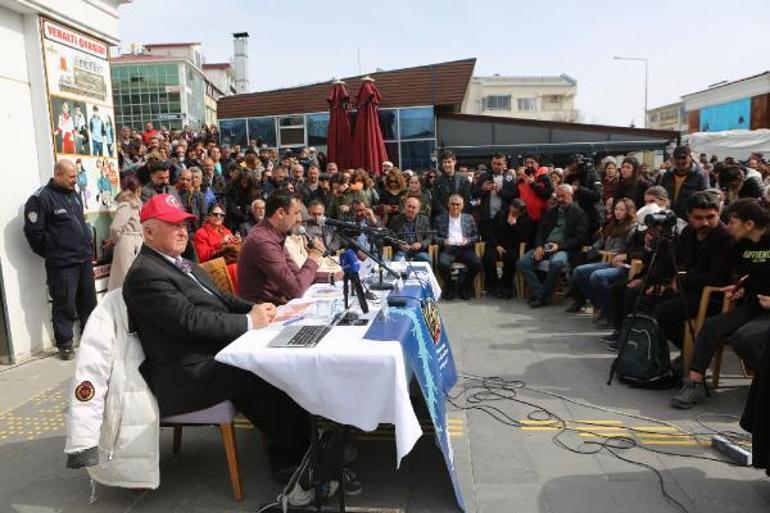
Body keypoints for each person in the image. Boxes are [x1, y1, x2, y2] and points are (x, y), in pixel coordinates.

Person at [121, 194, 311, 485]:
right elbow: (189, 322)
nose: (183, 231)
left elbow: (222, 299)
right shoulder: (145, 275)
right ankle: (294, 459)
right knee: (262, 371)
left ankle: (297, 446)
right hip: (187, 373)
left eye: (184, 224)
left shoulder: (180, 262)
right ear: (148, 232)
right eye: (173, 225)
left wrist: (256, 310)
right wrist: (249, 322)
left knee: (276, 361)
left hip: (208, 354)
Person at [671, 199, 770, 409]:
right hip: (753, 305)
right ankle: (695, 383)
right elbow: (746, 274)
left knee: (744, 339)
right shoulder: (741, 246)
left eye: (733, 222)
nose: (729, 226)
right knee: (710, 326)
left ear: (749, 224)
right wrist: (739, 285)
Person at [23, 159, 97, 360]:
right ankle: (64, 344)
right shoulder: (41, 199)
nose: (76, 180)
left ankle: (91, 338)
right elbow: (33, 234)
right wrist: (53, 252)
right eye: (72, 177)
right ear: (58, 175)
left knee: (89, 302)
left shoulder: (74, 195)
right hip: (62, 263)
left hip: (83, 258)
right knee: (64, 304)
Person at [238, 192, 327, 305]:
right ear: (280, 213)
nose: (299, 219)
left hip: (278, 306)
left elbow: (298, 275)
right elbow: (296, 289)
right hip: (265, 314)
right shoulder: (263, 241)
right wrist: (313, 257)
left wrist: (333, 277)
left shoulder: (274, 234)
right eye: (296, 213)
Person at [518, 184, 589, 308]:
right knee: (523, 263)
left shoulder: (580, 214)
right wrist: (539, 246)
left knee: (556, 263)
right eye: (558, 196)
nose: (560, 199)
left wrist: (559, 247)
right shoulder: (551, 211)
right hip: (546, 246)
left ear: (571, 195)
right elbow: (540, 231)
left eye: (563, 196)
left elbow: (579, 238)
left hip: (564, 248)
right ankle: (541, 293)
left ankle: (541, 297)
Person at [565, 197, 637, 318]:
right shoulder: (612, 225)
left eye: (622, 210)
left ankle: (609, 313)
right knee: (579, 271)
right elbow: (601, 241)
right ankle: (599, 304)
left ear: (628, 211)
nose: (618, 212)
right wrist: (593, 249)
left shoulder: (632, 228)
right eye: (617, 209)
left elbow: (626, 251)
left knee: (597, 276)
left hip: (621, 264)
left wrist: (616, 256)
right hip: (607, 260)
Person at [481, 199, 535, 299]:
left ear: (521, 212)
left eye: (516, 212)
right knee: (488, 258)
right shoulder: (501, 215)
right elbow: (491, 232)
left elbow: (524, 237)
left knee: (511, 259)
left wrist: (514, 225)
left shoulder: (526, 219)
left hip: (513, 246)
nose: (512, 213)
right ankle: (495, 285)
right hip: (497, 245)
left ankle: (507, 286)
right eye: (512, 209)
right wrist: (497, 245)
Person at [434, 194, 480, 300]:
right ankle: (450, 287)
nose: (455, 207)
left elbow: (476, 236)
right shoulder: (440, 218)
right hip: (448, 249)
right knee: (442, 264)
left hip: (464, 248)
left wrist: (468, 240)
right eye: (453, 204)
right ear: (448, 205)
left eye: (458, 204)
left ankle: (464, 287)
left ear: (462, 206)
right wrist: (443, 241)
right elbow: (434, 237)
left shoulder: (469, 218)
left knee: (476, 264)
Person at [106, 175, 143, 291]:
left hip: (129, 242)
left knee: (126, 278)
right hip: (131, 242)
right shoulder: (129, 203)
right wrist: (115, 240)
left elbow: (116, 227)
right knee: (125, 278)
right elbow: (116, 227)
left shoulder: (129, 203)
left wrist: (114, 241)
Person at [472, 153, 518, 241]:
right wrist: (482, 189)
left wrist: (501, 192)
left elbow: (515, 195)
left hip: (504, 218)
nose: (496, 166)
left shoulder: (510, 177)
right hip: (486, 218)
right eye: (494, 163)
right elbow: (474, 193)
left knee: (503, 244)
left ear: (505, 164)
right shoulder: (483, 176)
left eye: (499, 164)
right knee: (488, 245)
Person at [660, 145, 709, 219]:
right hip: (668, 218)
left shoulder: (701, 175)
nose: (680, 161)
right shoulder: (667, 175)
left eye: (683, 157)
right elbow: (660, 194)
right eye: (677, 158)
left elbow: (705, 199)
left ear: (690, 157)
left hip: (689, 220)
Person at [563, 154, 603, 237]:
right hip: (576, 215)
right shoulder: (572, 177)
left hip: (592, 216)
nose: (571, 171)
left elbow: (597, 195)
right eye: (570, 169)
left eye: (573, 169)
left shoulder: (592, 176)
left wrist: (579, 189)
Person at [387, 196, 432, 262]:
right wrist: (399, 245)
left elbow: (429, 238)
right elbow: (389, 237)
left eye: (413, 207)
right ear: (405, 206)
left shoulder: (424, 219)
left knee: (427, 259)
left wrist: (421, 244)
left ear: (418, 209)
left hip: (418, 252)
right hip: (401, 252)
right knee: (397, 262)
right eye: (409, 206)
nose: (410, 209)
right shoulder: (395, 219)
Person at [433, 151, 472, 219]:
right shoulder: (437, 181)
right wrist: (446, 214)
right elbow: (436, 200)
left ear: (454, 162)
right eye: (444, 162)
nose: (447, 164)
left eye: (449, 162)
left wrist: (459, 214)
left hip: (461, 216)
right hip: (444, 217)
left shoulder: (464, 180)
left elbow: (467, 199)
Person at [513, 156, 553, 222]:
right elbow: (516, 196)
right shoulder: (521, 179)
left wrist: (533, 184)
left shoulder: (544, 177)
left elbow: (547, 194)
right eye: (527, 163)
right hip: (524, 217)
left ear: (537, 164)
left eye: (532, 163)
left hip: (540, 217)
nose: (529, 165)